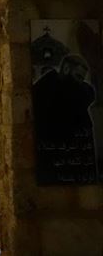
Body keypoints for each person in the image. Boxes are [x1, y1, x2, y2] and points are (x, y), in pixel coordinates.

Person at [32, 54, 96, 184]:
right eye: (78, 76)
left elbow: (87, 94)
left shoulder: (80, 91)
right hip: (54, 156)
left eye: (82, 78)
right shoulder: (46, 88)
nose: (80, 82)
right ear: (66, 69)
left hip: (74, 159)